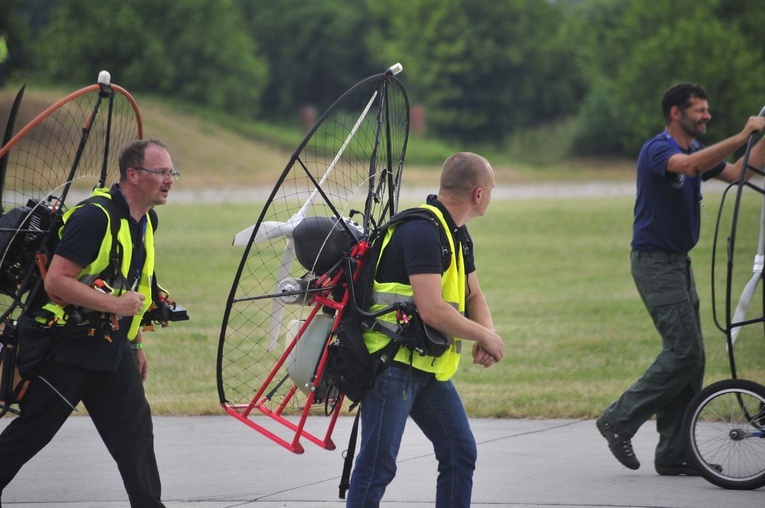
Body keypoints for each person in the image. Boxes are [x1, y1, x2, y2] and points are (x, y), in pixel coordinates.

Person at [597, 83, 765, 476]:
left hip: (678, 263)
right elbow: (689, 168)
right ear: (676, 113)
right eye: (700, 110)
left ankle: (675, 453)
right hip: (655, 262)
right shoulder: (659, 150)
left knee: (693, 359)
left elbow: (743, 171)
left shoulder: (694, 153)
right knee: (684, 351)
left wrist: (759, 137)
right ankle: (618, 420)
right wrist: (740, 135)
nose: (707, 116)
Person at [0, 138, 179, 506]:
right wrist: (115, 305)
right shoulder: (93, 217)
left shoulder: (146, 220)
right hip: (66, 346)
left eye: (171, 172)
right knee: (32, 432)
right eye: (161, 172)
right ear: (132, 175)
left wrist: (136, 344)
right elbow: (57, 281)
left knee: (135, 436)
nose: (169, 180)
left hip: (112, 348)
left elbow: (134, 284)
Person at [345, 152, 505, 507]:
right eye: (491, 188)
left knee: (460, 451)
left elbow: (473, 293)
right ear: (478, 194)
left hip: (427, 366)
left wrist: (487, 333)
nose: (492, 195)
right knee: (378, 466)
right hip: (392, 365)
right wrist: (482, 336)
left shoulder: (457, 234)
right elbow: (432, 310)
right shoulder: (422, 232)